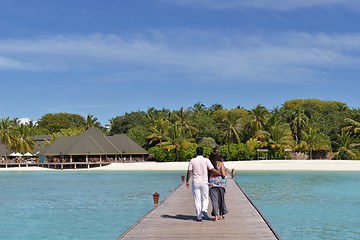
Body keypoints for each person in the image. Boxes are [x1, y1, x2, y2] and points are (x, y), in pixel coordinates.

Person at [186, 147, 221, 222]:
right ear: (203, 152)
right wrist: (220, 174)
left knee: (197, 199)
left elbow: (189, 171)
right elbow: (212, 169)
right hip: (204, 182)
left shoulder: (192, 160)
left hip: (195, 182)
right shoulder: (206, 160)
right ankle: (204, 209)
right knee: (205, 198)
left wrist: (187, 181)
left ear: (196, 152)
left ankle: (199, 217)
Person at [209, 152, 228, 221]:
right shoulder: (220, 164)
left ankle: (216, 217)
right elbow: (223, 175)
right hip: (220, 184)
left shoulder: (210, 164)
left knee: (214, 200)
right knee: (221, 200)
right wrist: (226, 171)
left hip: (212, 184)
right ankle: (221, 215)